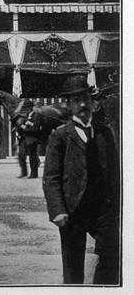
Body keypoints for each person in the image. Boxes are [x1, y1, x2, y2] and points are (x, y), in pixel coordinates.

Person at [42, 74, 119, 285]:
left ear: (92, 101)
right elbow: (51, 177)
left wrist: (117, 206)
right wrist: (57, 210)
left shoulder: (105, 133)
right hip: (72, 209)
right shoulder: (60, 136)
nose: (83, 104)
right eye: (76, 100)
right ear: (68, 105)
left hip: (102, 208)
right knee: (73, 266)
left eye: (85, 98)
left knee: (112, 255)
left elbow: (114, 174)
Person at [15, 99, 42, 179]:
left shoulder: (36, 115)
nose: (25, 109)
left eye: (27, 108)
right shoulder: (27, 116)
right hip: (25, 138)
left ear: (30, 108)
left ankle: (34, 174)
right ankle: (25, 172)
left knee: (32, 157)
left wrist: (25, 128)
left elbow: (36, 128)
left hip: (32, 138)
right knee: (22, 155)